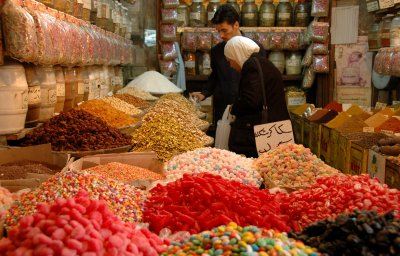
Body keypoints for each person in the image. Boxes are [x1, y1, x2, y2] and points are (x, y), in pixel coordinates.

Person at [191, 4, 265, 123]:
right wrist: (204, 93)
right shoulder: (216, 51)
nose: (221, 35)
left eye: (224, 30)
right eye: (218, 31)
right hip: (223, 109)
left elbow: (261, 82)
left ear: (236, 25)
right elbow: (215, 76)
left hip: (248, 112)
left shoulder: (255, 49)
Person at [224, 36, 290, 158]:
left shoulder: (251, 66)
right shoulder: (263, 63)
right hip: (277, 127)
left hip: (265, 131)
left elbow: (251, 101)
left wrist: (234, 108)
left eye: (230, 60)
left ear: (237, 53)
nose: (231, 65)